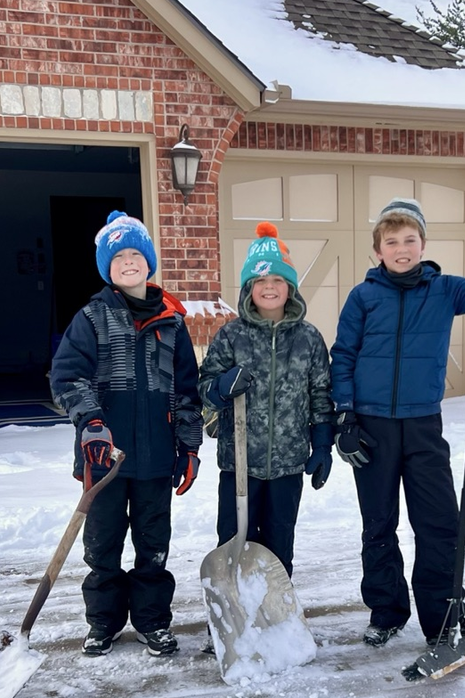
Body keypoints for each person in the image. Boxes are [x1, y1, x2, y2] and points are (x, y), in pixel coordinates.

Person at [330, 191, 465, 649]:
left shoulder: (445, 289)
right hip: (371, 427)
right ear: (378, 250)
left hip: (422, 425)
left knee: (438, 522)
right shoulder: (362, 297)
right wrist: (344, 416)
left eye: (409, 239)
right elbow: (344, 356)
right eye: (391, 241)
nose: (401, 248)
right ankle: (387, 610)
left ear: (423, 244)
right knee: (378, 522)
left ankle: (445, 611)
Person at [50, 210, 203, 657]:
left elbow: (187, 393)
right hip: (103, 459)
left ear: (149, 262)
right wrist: (91, 423)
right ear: (108, 269)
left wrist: (190, 447)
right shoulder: (92, 318)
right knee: (102, 547)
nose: (129, 262)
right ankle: (104, 623)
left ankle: (153, 622)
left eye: (136, 253)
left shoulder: (172, 324)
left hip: (156, 458)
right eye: (119, 257)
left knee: (153, 546)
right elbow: (66, 377)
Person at [198, 221, 334, 638]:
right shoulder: (231, 336)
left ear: (290, 287)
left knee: (278, 544)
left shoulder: (309, 339)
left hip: (288, 463)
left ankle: (274, 618)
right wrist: (221, 387)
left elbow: (320, 394)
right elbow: (204, 387)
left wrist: (323, 444)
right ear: (248, 289)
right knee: (234, 541)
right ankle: (231, 622)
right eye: (261, 281)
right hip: (238, 465)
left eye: (278, 279)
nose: (270, 287)